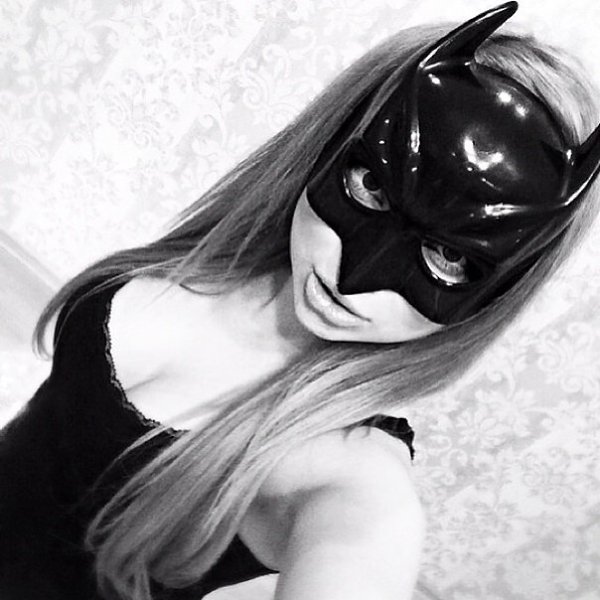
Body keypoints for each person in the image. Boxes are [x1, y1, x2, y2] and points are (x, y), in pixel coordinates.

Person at [1, 2, 599, 599]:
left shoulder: (348, 476)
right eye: (371, 186)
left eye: (448, 257)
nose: (352, 278)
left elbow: (360, 546)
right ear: (331, 143)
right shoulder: (225, 257)